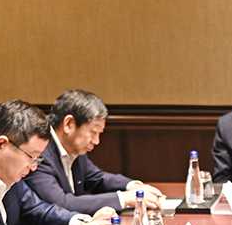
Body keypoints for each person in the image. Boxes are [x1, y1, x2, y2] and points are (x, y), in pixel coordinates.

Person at [24, 89, 164, 214]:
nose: (96, 141)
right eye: (93, 132)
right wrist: (124, 199)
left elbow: (97, 178)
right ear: (69, 124)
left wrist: (134, 186)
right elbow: (61, 203)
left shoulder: (74, 148)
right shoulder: (38, 152)